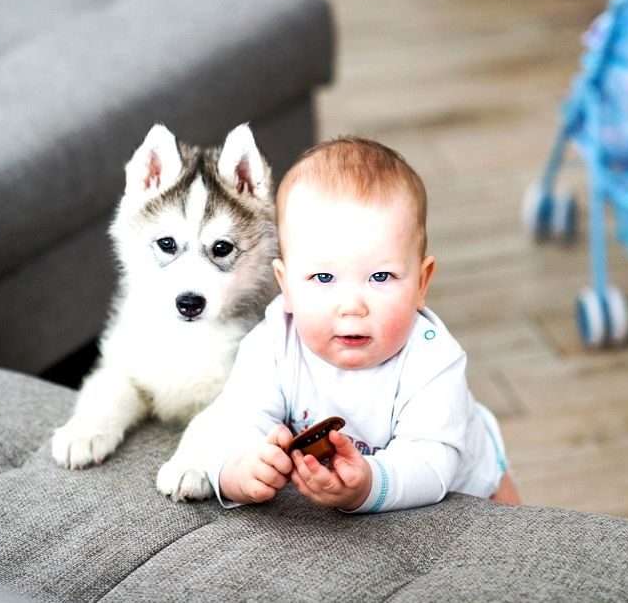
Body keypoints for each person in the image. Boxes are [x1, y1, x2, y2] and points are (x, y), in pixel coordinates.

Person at [205, 136, 520, 512]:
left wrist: (368, 484)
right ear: (285, 287)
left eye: (381, 277)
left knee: (519, 536)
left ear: (421, 283)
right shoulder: (272, 344)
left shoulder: (434, 360)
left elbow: (433, 465)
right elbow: (236, 419)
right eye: (323, 278)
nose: (352, 306)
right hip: (346, 479)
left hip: (470, 482)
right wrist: (238, 470)